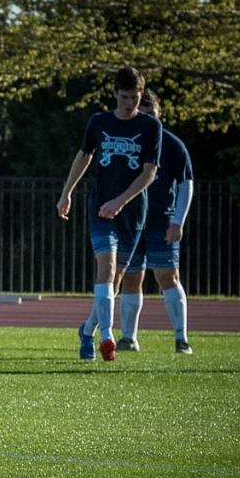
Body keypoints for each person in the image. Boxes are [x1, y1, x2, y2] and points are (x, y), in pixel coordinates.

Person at [56, 67, 161, 361]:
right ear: (115, 94)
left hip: (131, 214)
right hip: (100, 209)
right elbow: (84, 155)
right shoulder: (99, 122)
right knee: (107, 266)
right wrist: (67, 192)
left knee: (114, 283)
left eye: (135, 98)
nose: (130, 103)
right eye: (125, 97)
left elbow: (149, 173)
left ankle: (88, 330)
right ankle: (107, 336)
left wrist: (122, 201)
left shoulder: (151, 127)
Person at [116, 90, 195, 355]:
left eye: (152, 114)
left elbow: (187, 184)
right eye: (144, 113)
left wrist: (178, 221)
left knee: (168, 277)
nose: (148, 119)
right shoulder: (130, 142)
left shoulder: (173, 145)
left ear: (159, 115)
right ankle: (128, 338)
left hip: (162, 220)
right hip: (132, 220)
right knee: (130, 278)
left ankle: (181, 338)